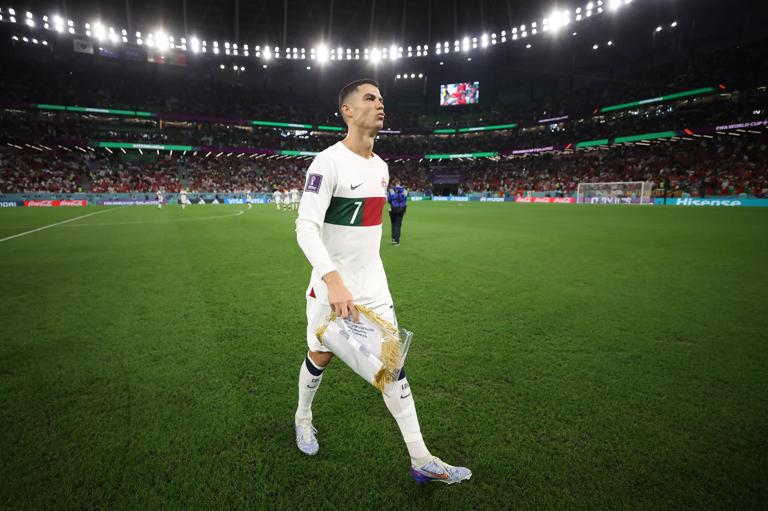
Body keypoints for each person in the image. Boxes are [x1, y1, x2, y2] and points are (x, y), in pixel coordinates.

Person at [293, 79, 471, 485]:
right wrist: (334, 282)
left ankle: (422, 459)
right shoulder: (327, 163)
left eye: (382, 99)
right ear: (348, 111)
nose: (380, 104)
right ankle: (303, 418)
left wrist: (359, 281)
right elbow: (305, 226)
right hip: (330, 289)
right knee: (320, 355)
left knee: (393, 367)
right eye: (370, 98)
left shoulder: (381, 167)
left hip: (373, 287)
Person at [387, 180, 408, 246]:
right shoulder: (404, 190)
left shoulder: (391, 190)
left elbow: (389, 199)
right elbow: (405, 199)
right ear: (399, 183)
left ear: (394, 184)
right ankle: (397, 241)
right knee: (398, 225)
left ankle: (393, 239)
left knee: (393, 224)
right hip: (401, 209)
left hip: (393, 209)